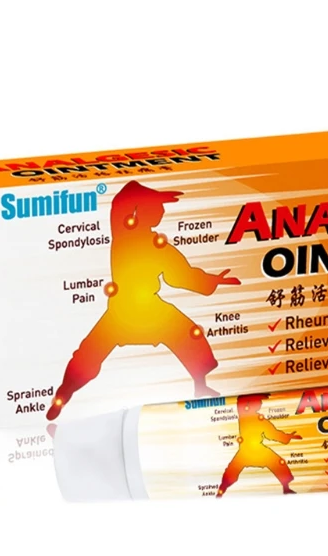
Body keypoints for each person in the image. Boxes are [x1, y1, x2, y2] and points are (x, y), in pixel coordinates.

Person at [47, 180, 239, 421]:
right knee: (89, 355)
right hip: (124, 311)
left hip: (140, 310)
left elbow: (182, 276)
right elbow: (122, 198)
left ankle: (200, 386)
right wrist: (152, 194)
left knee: (189, 335)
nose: (162, 212)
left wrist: (213, 280)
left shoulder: (157, 246)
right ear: (141, 209)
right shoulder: (124, 232)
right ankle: (62, 395)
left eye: (162, 208)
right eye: (157, 207)